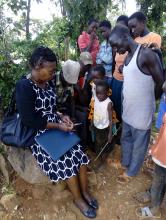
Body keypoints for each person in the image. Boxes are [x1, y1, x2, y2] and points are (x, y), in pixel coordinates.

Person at [15, 46, 98, 218]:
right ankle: (78, 199)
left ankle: (85, 193)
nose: (53, 74)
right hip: (39, 134)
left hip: (54, 125)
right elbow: (30, 120)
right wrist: (58, 126)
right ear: (38, 66)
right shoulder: (24, 86)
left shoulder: (48, 81)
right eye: (51, 70)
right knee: (65, 160)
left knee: (80, 155)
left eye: (54, 71)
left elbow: (52, 108)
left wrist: (63, 117)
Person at [109, 25, 164, 183]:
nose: (115, 49)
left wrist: (150, 101)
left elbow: (161, 81)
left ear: (125, 38)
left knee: (139, 144)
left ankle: (132, 172)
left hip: (141, 112)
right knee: (126, 139)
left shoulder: (146, 54)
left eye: (115, 45)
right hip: (128, 110)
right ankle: (126, 163)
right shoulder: (127, 56)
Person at [136, 113, 166, 218]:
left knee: (159, 182)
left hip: (164, 157)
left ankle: (154, 209)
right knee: (160, 181)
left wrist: (156, 152)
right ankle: (153, 195)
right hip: (162, 150)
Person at [110, 15, 129, 122]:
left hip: (125, 82)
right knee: (115, 106)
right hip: (115, 79)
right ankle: (115, 129)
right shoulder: (117, 46)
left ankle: (121, 129)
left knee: (123, 108)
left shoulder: (129, 46)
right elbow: (114, 62)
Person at [92, 80, 113, 154]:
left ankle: (104, 154)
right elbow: (94, 111)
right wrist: (91, 123)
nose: (99, 96)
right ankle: (98, 152)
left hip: (104, 127)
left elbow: (111, 120)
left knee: (104, 142)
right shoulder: (96, 97)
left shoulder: (108, 103)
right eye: (97, 93)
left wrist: (110, 133)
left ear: (107, 93)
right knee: (97, 141)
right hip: (96, 125)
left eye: (101, 94)